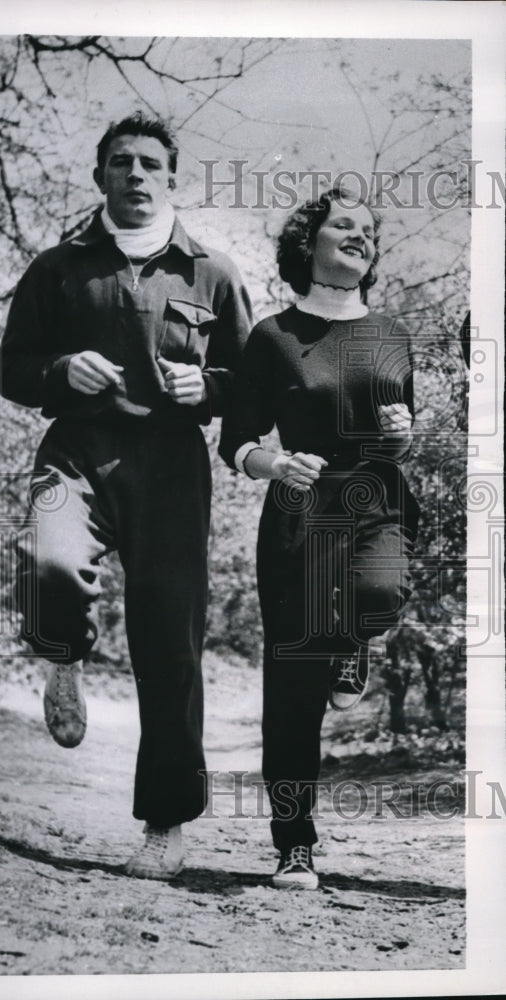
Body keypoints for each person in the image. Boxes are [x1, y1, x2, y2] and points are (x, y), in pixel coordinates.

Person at [0, 112, 252, 880]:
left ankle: (166, 823)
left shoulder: (215, 272)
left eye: (150, 163)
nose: (135, 174)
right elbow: (9, 368)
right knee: (49, 558)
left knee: (169, 643)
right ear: (100, 175)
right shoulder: (59, 268)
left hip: (172, 467)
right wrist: (56, 370)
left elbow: (255, 386)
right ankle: (62, 656)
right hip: (76, 450)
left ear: (172, 177)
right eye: (120, 162)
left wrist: (208, 385)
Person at [219, 187, 419, 890]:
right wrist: (276, 462)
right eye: (344, 226)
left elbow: (400, 436)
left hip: (374, 498)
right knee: (294, 693)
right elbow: (235, 441)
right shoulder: (272, 337)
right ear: (309, 243)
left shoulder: (393, 334)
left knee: (378, 594)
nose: (360, 236)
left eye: (368, 229)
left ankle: (354, 643)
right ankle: (293, 845)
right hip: (300, 509)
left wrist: (403, 437)